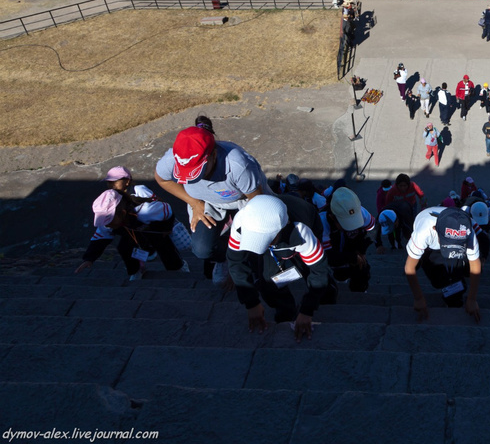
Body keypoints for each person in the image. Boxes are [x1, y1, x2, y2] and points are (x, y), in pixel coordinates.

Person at [154, 125, 272, 286]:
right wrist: (194, 203)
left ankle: (242, 263)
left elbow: (257, 202)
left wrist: (237, 266)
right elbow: (162, 179)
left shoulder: (238, 165)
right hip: (206, 202)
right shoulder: (173, 159)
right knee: (201, 249)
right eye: (185, 173)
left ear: (213, 155)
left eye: (197, 171)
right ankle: (224, 259)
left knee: (254, 240)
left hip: (244, 201)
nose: (191, 178)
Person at [226, 195, 336, 340]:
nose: (260, 246)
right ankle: (286, 311)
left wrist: (307, 310)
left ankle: (328, 295)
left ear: (282, 229)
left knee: (309, 269)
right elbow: (236, 261)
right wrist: (251, 302)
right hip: (277, 241)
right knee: (267, 280)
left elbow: (318, 270)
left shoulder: (302, 232)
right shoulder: (242, 222)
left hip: (305, 225)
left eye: (265, 240)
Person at [77, 187, 188, 281]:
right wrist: (89, 259)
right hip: (132, 234)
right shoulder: (108, 223)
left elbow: (167, 210)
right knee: (124, 248)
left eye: (109, 220)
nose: (107, 224)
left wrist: (166, 228)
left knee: (165, 248)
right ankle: (136, 270)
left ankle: (178, 268)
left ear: (123, 213)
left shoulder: (146, 211)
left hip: (154, 230)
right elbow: (100, 238)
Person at [404, 206, 482, 321]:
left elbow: (475, 265)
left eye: (457, 243)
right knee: (436, 275)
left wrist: (472, 299)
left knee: (456, 269)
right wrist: (418, 298)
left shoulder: (468, 232)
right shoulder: (423, 233)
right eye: (448, 243)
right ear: (435, 229)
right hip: (429, 247)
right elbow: (409, 268)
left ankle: (454, 295)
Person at [322, 187, 376, 292]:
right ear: (332, 217)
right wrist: (351, 257)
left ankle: (359, 290)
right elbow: (327, 255)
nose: (351, 227)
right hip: (337, 255)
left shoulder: (361, 212)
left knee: (362, 271)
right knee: (340, 274)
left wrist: (361, 250)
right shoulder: (322, 222)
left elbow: (372, 230)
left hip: (355, 249)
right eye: (345, 223)